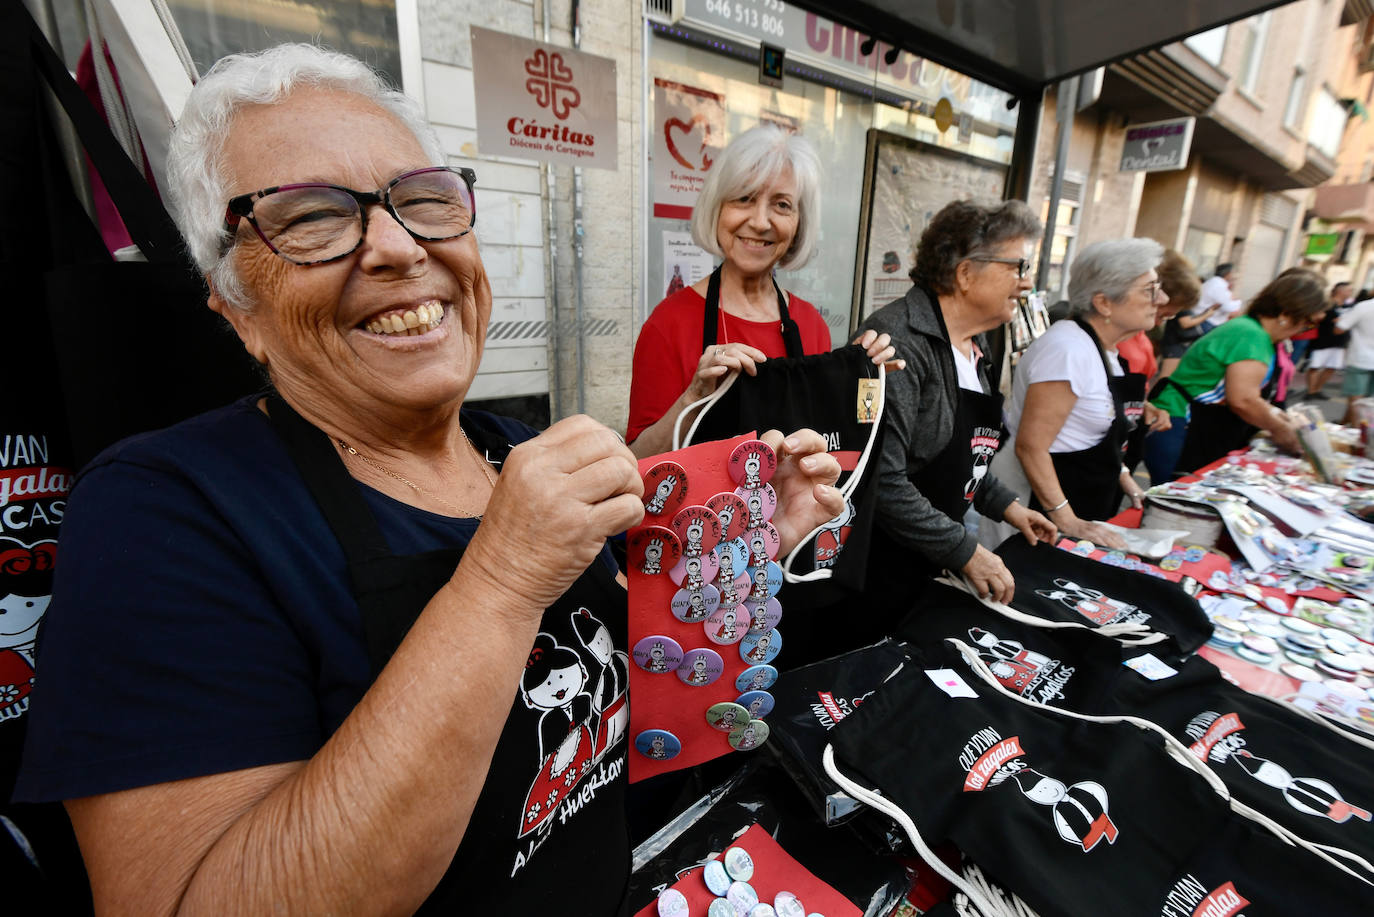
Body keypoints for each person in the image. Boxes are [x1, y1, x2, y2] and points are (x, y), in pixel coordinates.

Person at [13, 45, 846, 914]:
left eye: (423, 200)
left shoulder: (507, 447)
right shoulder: (161, 517)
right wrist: (500, 579)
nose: (397, 247)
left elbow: (636, 707)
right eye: (308, 218)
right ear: (235, 307)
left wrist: (742, 543)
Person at [626, 124, 898, 455]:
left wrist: (858, 372)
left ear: (799, 224)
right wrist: (694, 397)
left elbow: (830, 442)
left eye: (782, 205)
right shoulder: (669, 324)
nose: (759, 221)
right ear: (717, 208)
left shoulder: (810, 325)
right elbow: (639, 461)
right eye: (744, 198)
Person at [856, 199, 1055, 608]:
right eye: (1017, 267)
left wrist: (1007, 507)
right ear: (966, 273)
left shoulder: (974, 342)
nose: (1026, 284)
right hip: (879, 566)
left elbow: (964, 455)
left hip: (929, 559)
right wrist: (965, 551)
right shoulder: (894, 340)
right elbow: (881, 478)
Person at [1000, 239, 1169, 547]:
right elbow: (1031, 447)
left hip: (1082, 506)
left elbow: (1090, 428)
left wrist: (1126, 479)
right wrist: (1066, 520)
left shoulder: (1102, 349)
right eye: (1150, 289)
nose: (1162, 298)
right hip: (1040, 519)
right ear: (1104, 303)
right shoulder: (1067, 350)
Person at [1143, 269, 1327, 483]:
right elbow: (1243, 399)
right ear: (1286, 314)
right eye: (1308, 322)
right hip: (1180, 423)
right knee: (1174, 499)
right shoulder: (1250, 335)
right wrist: (1282, 430)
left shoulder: (1253, 332)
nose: (1305, 330)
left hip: (1188, 423)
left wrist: (1285, 419)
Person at [1120, 248, 1201, 382]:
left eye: (1167, 317)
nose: (1158, 323)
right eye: (1162, 315)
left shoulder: (1137, 337)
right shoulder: (1120, 340)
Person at [1304, 282, 1353, 401]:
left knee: (1332, 367)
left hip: (1339, 342)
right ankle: (1310, 391)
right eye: (1349, 290)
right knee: (1315, 366)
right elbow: (1319, 317)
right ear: (1340, 291)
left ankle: (1317, 389)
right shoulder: (1327, 304)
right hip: (1322, 340)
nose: (1351, 293)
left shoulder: (1349, 306)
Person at [1337, 288, 1374, 423]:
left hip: (1360, 358)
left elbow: (1340, 328)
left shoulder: (1364, 306)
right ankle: (1343, 423)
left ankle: (1358, 435)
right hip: (1364, 359)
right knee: (1368, 401)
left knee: (1356, 400)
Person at [1196, 262, 1241, 332]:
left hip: (1206, 321)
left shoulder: (1214, 283)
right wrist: (1238, 301)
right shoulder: (1219, 285)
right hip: (1207, 322)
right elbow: (1227, 307)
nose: (1235, 276)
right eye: (1234, 272)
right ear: (1229, 274)